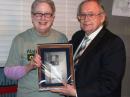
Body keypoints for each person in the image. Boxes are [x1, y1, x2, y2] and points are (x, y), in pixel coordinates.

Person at [50, 0, 126, 97]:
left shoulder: (113, 43)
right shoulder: (78, 36)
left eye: (91, 14)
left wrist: (76, 93)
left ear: (102, 17)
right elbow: (62, 57)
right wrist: (43, 58)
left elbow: (109, 83)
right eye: (82, 15)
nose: (86, 19)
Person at [4, 0, 68, 97]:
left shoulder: (62, 38)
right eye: (38, 14)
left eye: (47, 14)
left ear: (53, 18)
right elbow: (8, 72)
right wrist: (29, 66)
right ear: (32, 16)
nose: (43, 18)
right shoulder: (20, 39)